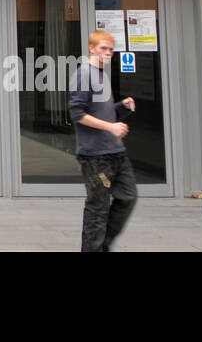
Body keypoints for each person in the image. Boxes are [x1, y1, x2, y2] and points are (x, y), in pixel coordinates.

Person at [68, 29, 137, 252]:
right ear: (91, 48)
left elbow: (103, 114)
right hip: (95, 155)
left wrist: (121, 108)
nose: (108, 53)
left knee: (128, 198)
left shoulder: (102, 75)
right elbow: (77, 113)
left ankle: (103, 245)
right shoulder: (83, 74)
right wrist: (111, 127)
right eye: (103, 49)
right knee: (98, 208)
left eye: (111, 50)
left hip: (115, 151)